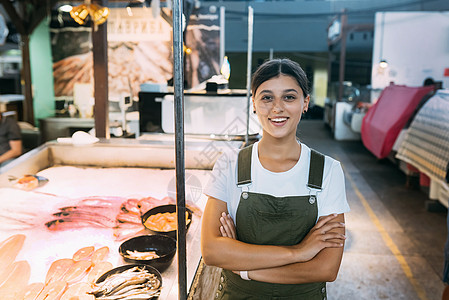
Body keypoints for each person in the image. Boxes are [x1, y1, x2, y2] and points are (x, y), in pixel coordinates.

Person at [201, 58, 350, 299]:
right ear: (254, 104)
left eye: (289, 97)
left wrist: (245, 268)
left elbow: (325, 268)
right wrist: (299, 253)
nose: (277, 108)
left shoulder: (328, 171)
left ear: (305, 102)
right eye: (267, 97)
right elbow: (212, 251)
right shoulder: (229, 165)